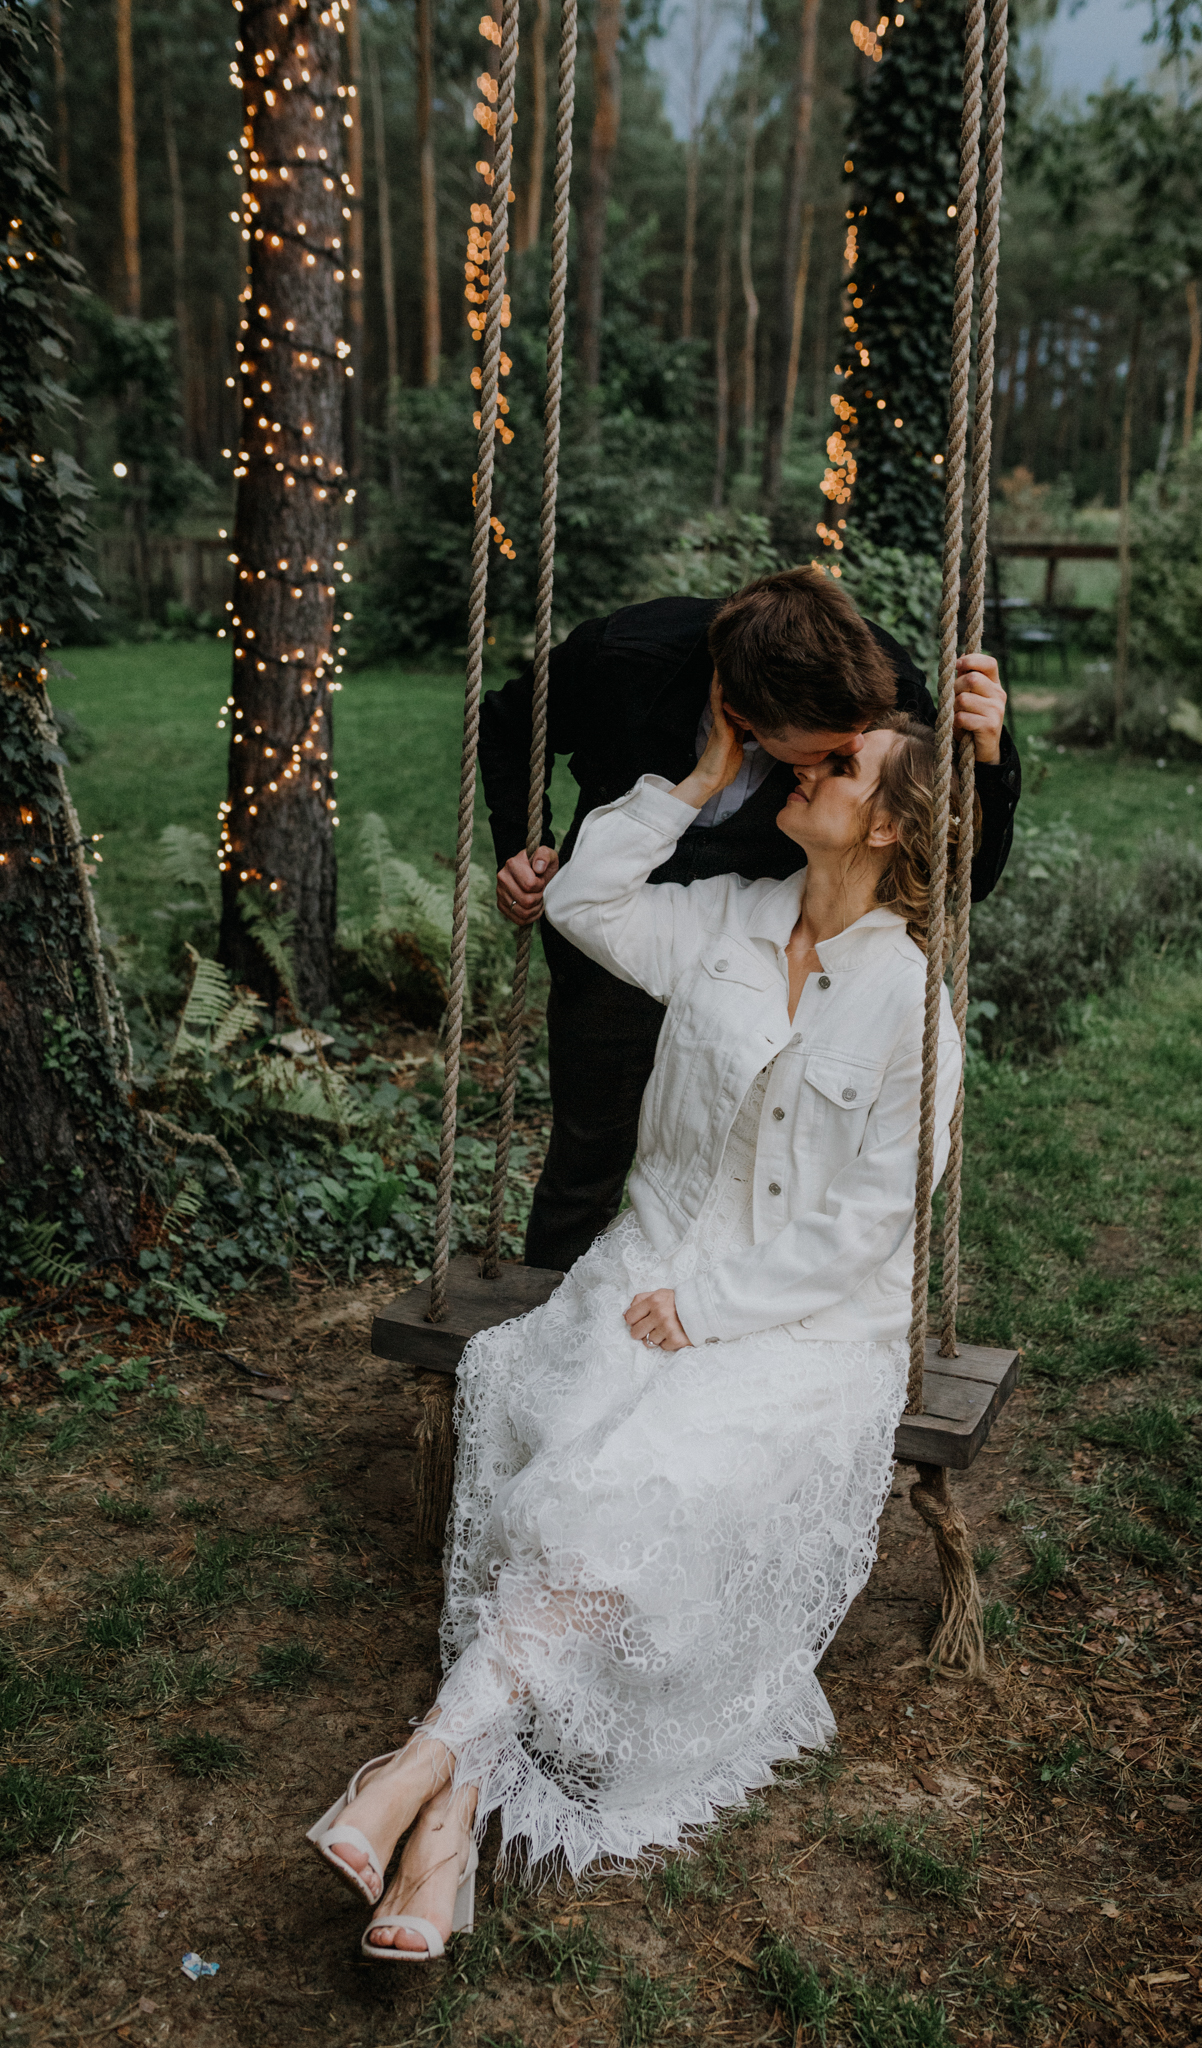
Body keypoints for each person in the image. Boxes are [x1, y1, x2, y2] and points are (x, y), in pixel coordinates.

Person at [306, 682, 969, 1960]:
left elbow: (873, 1219)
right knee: (566, 1438)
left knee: (635, 1489)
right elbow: (584, 900)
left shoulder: (912, 1001)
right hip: (648, 1266)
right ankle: (443, 1819)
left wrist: (710, 1310)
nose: (808, 765)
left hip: (805, 1330)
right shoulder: (727, 916)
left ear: (887, 824)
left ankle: (423, 1775)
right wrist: (697, 776)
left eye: (841, 764)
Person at [478, 568, 1017, 1274]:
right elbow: (508, 723)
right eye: (823, 753)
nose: (834, 760)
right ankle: (558, 1307)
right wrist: (524, 844)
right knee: (587, 1153)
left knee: (759, 1166)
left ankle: (734, 1293)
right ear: (741, 715)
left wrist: (990, 755)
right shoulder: (624, 657)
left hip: (769, 952)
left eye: (847, 758)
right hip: (626, 926)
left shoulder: (874, 686)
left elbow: (960, 873)